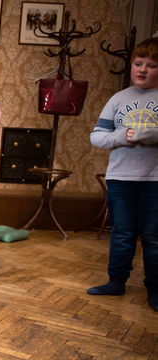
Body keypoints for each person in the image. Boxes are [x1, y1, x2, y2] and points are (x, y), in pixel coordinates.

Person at [86, 37, 158, 311]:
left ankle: (155, 288)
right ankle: (116, 281)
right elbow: (97, 137)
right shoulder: (119, 99)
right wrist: (121, 136)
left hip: (154, 180)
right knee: (122, 233)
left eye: (151, 66)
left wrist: (154, 135)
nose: (142, 69)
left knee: (153, 236)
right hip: (121, 178)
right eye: (138, 63)